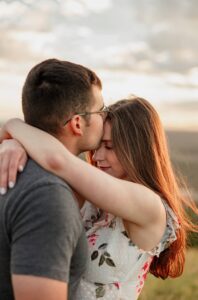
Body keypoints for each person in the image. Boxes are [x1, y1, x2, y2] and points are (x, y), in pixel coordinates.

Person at [0, 97, 197, 300]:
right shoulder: (94, 197)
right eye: (97, 146)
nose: (97, 156)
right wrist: (14, 144)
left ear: (138, 149)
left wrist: (12, 126)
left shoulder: (148, 204)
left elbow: (56, 159)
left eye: (109, 147)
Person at [0, 58, 109, 300]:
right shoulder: (46, 196)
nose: (105, 118)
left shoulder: (19, 170)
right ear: (78, 123)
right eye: (101, 111)